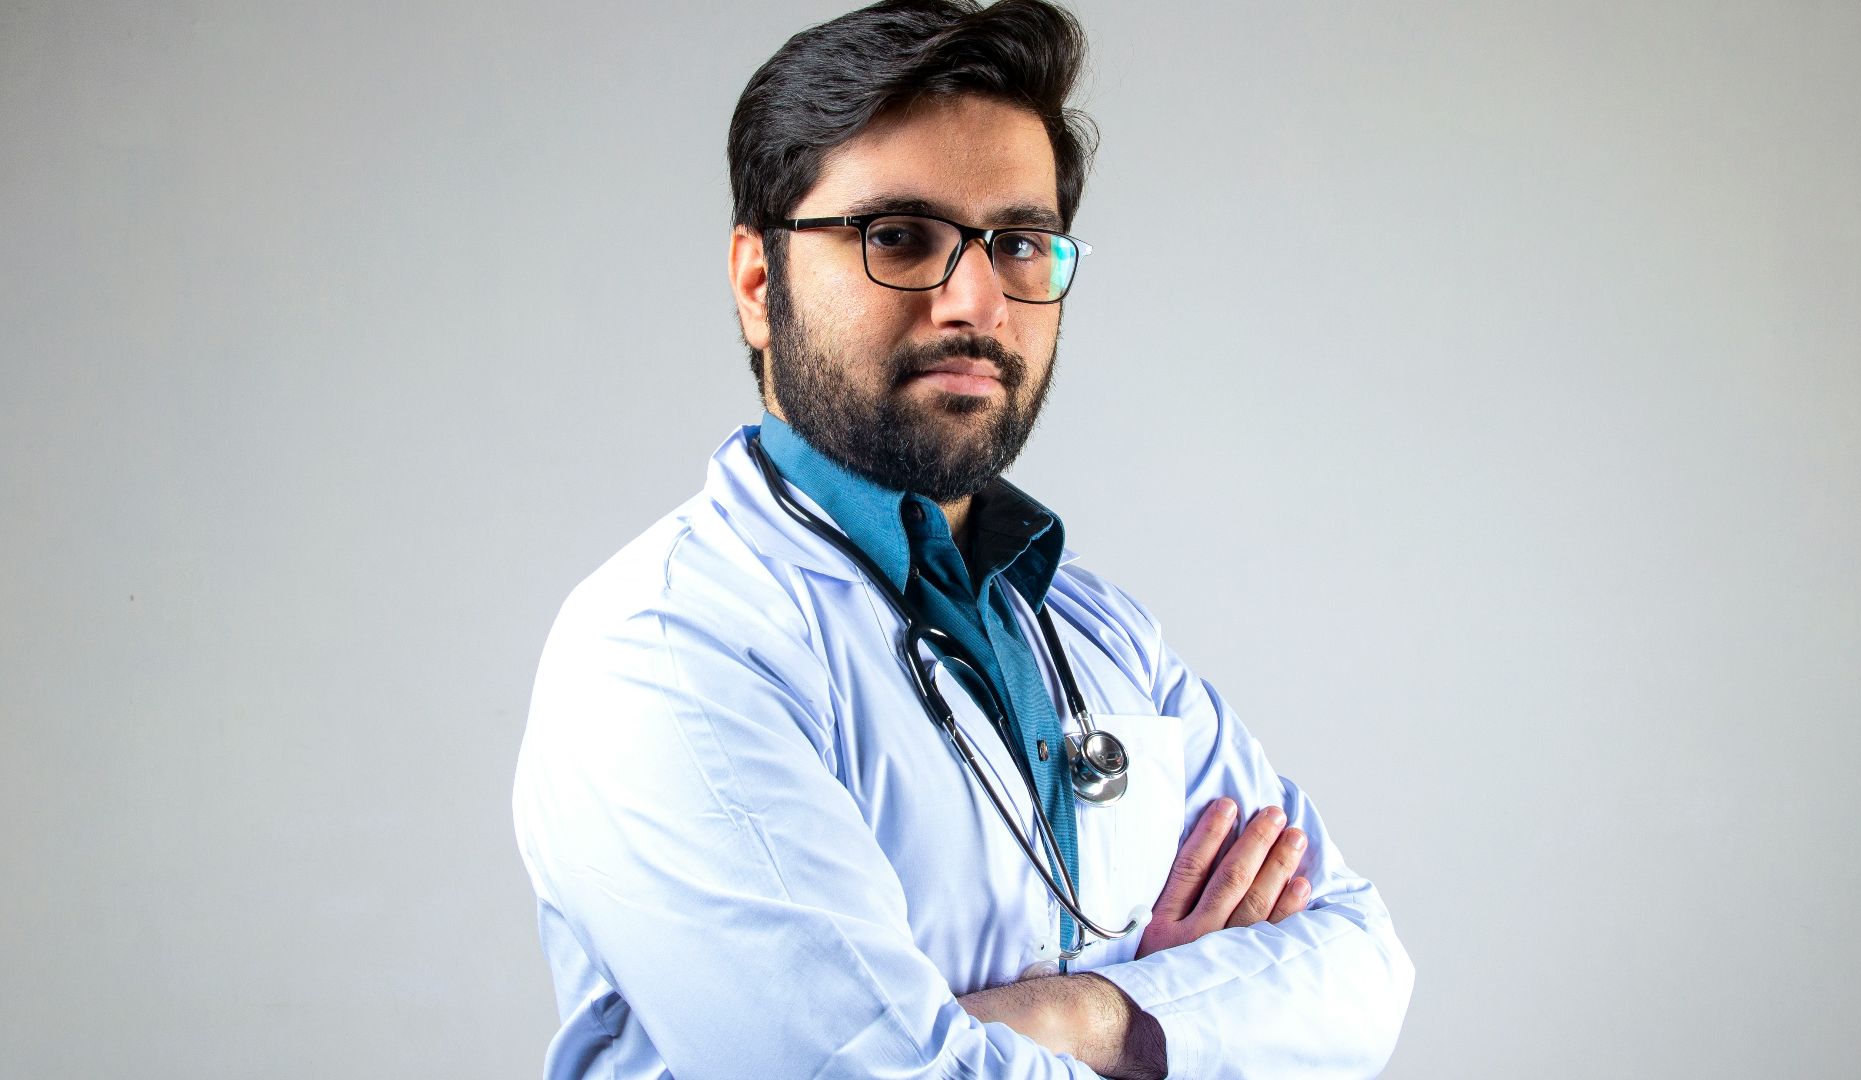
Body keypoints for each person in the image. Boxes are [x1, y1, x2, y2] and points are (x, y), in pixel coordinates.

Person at [512, 2, 1415, 1076]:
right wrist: (1188, 1021)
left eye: (1021, 244)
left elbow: (1362, 965)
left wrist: (1093, 1016)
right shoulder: (669, 650)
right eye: (900, 237)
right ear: (761, 284)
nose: (976, 301)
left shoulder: (1097, 632)